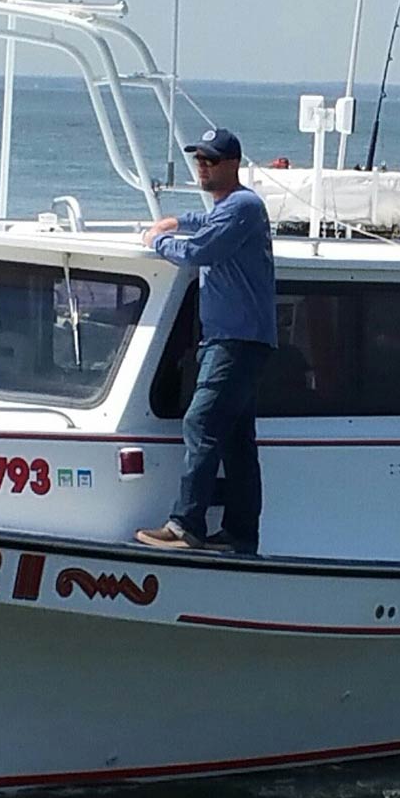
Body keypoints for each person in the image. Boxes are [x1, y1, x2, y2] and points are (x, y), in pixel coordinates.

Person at [136, 127, 277, 553]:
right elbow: (208, 221)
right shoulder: (232, 207)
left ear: (232, 164)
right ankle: (240, 534)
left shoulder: (244, 206)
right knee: (235, 439)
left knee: (202, 422)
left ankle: (186, 527)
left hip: (236, 341)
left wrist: (159, 239)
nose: (203, 166)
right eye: (199, 159)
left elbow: (199, 251)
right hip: (234, 339)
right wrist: (178, 220)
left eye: (211, 160)